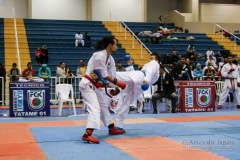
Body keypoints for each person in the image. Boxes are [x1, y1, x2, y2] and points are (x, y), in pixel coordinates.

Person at [79, 36, 126, 144]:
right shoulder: (99, 56)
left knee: (103, 106)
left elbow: (112, 74)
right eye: (115, 44)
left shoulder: (110, 59)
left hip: (96, 86)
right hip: (87, 85)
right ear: (110, 45)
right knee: (95, 107)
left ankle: (111, 127)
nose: (117, 47)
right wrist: (118, 83)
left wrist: (115, 87)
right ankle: (87, 134)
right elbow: (104, 75)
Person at [113, 53, 160, 130]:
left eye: (152, 58)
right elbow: (137, 75)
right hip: (139, 82)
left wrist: (146, 80)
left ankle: (102, 75)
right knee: (127, 101)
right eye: (149, 58)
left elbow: (149, 73)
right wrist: (130, 66)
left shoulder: (155, 63)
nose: (150, 60)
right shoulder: (147, 65)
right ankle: (119, 125)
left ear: (157, 60)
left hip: (142, 80)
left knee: (116, 76)